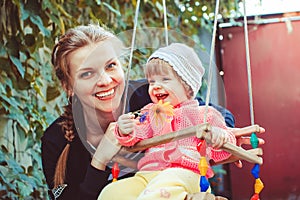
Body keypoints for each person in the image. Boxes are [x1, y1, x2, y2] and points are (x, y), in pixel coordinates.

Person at [41, 24, 259, 200]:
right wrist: (99, 161)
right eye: (87, 74)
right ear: (68, 86)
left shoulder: (148, 96)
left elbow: (206, 111)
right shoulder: (57, 141)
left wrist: (220, 137)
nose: (106, 81)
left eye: (110, 66)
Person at [98, 43, 237, 200]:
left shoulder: (204, 114)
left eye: (164, 79)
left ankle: (190, 197)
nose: (156, 86)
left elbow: (226, 144)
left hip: (186, 174)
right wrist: (125, 129)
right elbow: (137, 135)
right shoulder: (151, 113)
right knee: (111, 193)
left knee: (158, 192)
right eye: (151, 82)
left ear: (188, 86)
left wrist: (220, 136)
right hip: (148, 174)